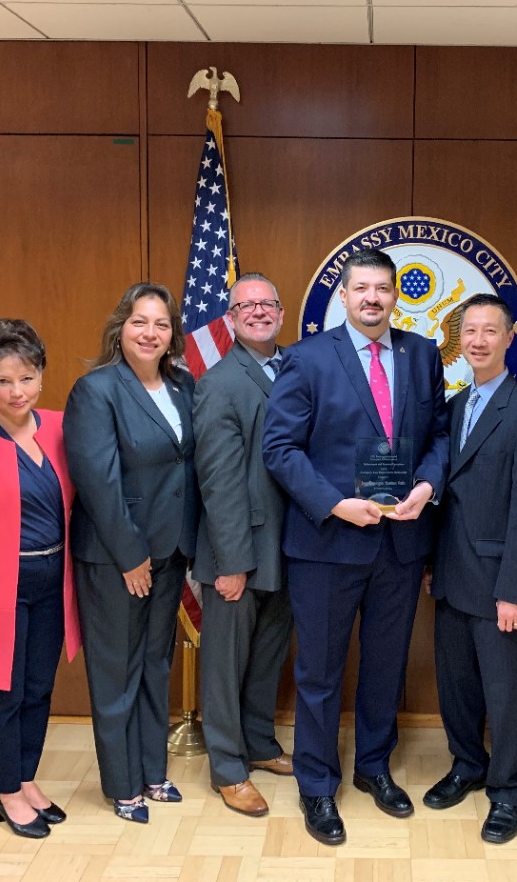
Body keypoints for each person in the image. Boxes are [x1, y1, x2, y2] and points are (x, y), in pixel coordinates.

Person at [262, 248, 449, 846]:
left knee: (386, 665)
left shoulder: (421, 355)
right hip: (326, 543)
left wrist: (427, 484)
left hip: (400, 541)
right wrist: (336, 503)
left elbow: (439, 434)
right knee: (319, 671)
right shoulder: (307, 358)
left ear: (397, 296)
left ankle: (373, 767)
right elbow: (280, 449)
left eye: (383, 289)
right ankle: (317, 785)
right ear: (341, 296)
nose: (372, 298)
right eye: (361, 288)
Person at [422, 294, 517, 845]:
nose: (478, 341)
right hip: (452, 574)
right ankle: (466, 763)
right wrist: (434, 564)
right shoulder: (456, 406)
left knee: (504, 692)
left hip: (500, 581)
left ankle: (506, 791)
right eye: (469, 332)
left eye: (489, 331)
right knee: (455, 685)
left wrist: (515, 591)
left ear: (510, 337)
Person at [64, 283, 199, 823]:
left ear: (172, 334)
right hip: (118, 555)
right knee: (116, 669)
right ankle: (122, 784)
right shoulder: (95, 390)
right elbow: (97, 480)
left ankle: (151, 770)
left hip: (171, 549)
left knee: (154, 664)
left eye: (161, 324)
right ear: (121, 327)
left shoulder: (183, 385)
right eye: (140, 322)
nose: (151, 333)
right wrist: (131, 554)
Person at [0, 319, 80, 839]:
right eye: (4, 380)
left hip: (54, 578)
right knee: (3, 693)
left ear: (42, 377)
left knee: (38, 687)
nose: (16, 392)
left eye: (26, 378)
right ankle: (5, 790)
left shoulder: (57, 427)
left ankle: (26, 777)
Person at [193, 274, 294, 818]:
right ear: (229, 319)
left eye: (267, 304)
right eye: (245, 305)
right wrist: (231, 563)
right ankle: (229, 767)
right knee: (225, 666)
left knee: (266, 657)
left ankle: (258, 742)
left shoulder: (294, 367)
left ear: (281, 312)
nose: (257, 312)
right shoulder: (218, 383)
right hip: (238, 552)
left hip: (288, 547)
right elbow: (218, 481)